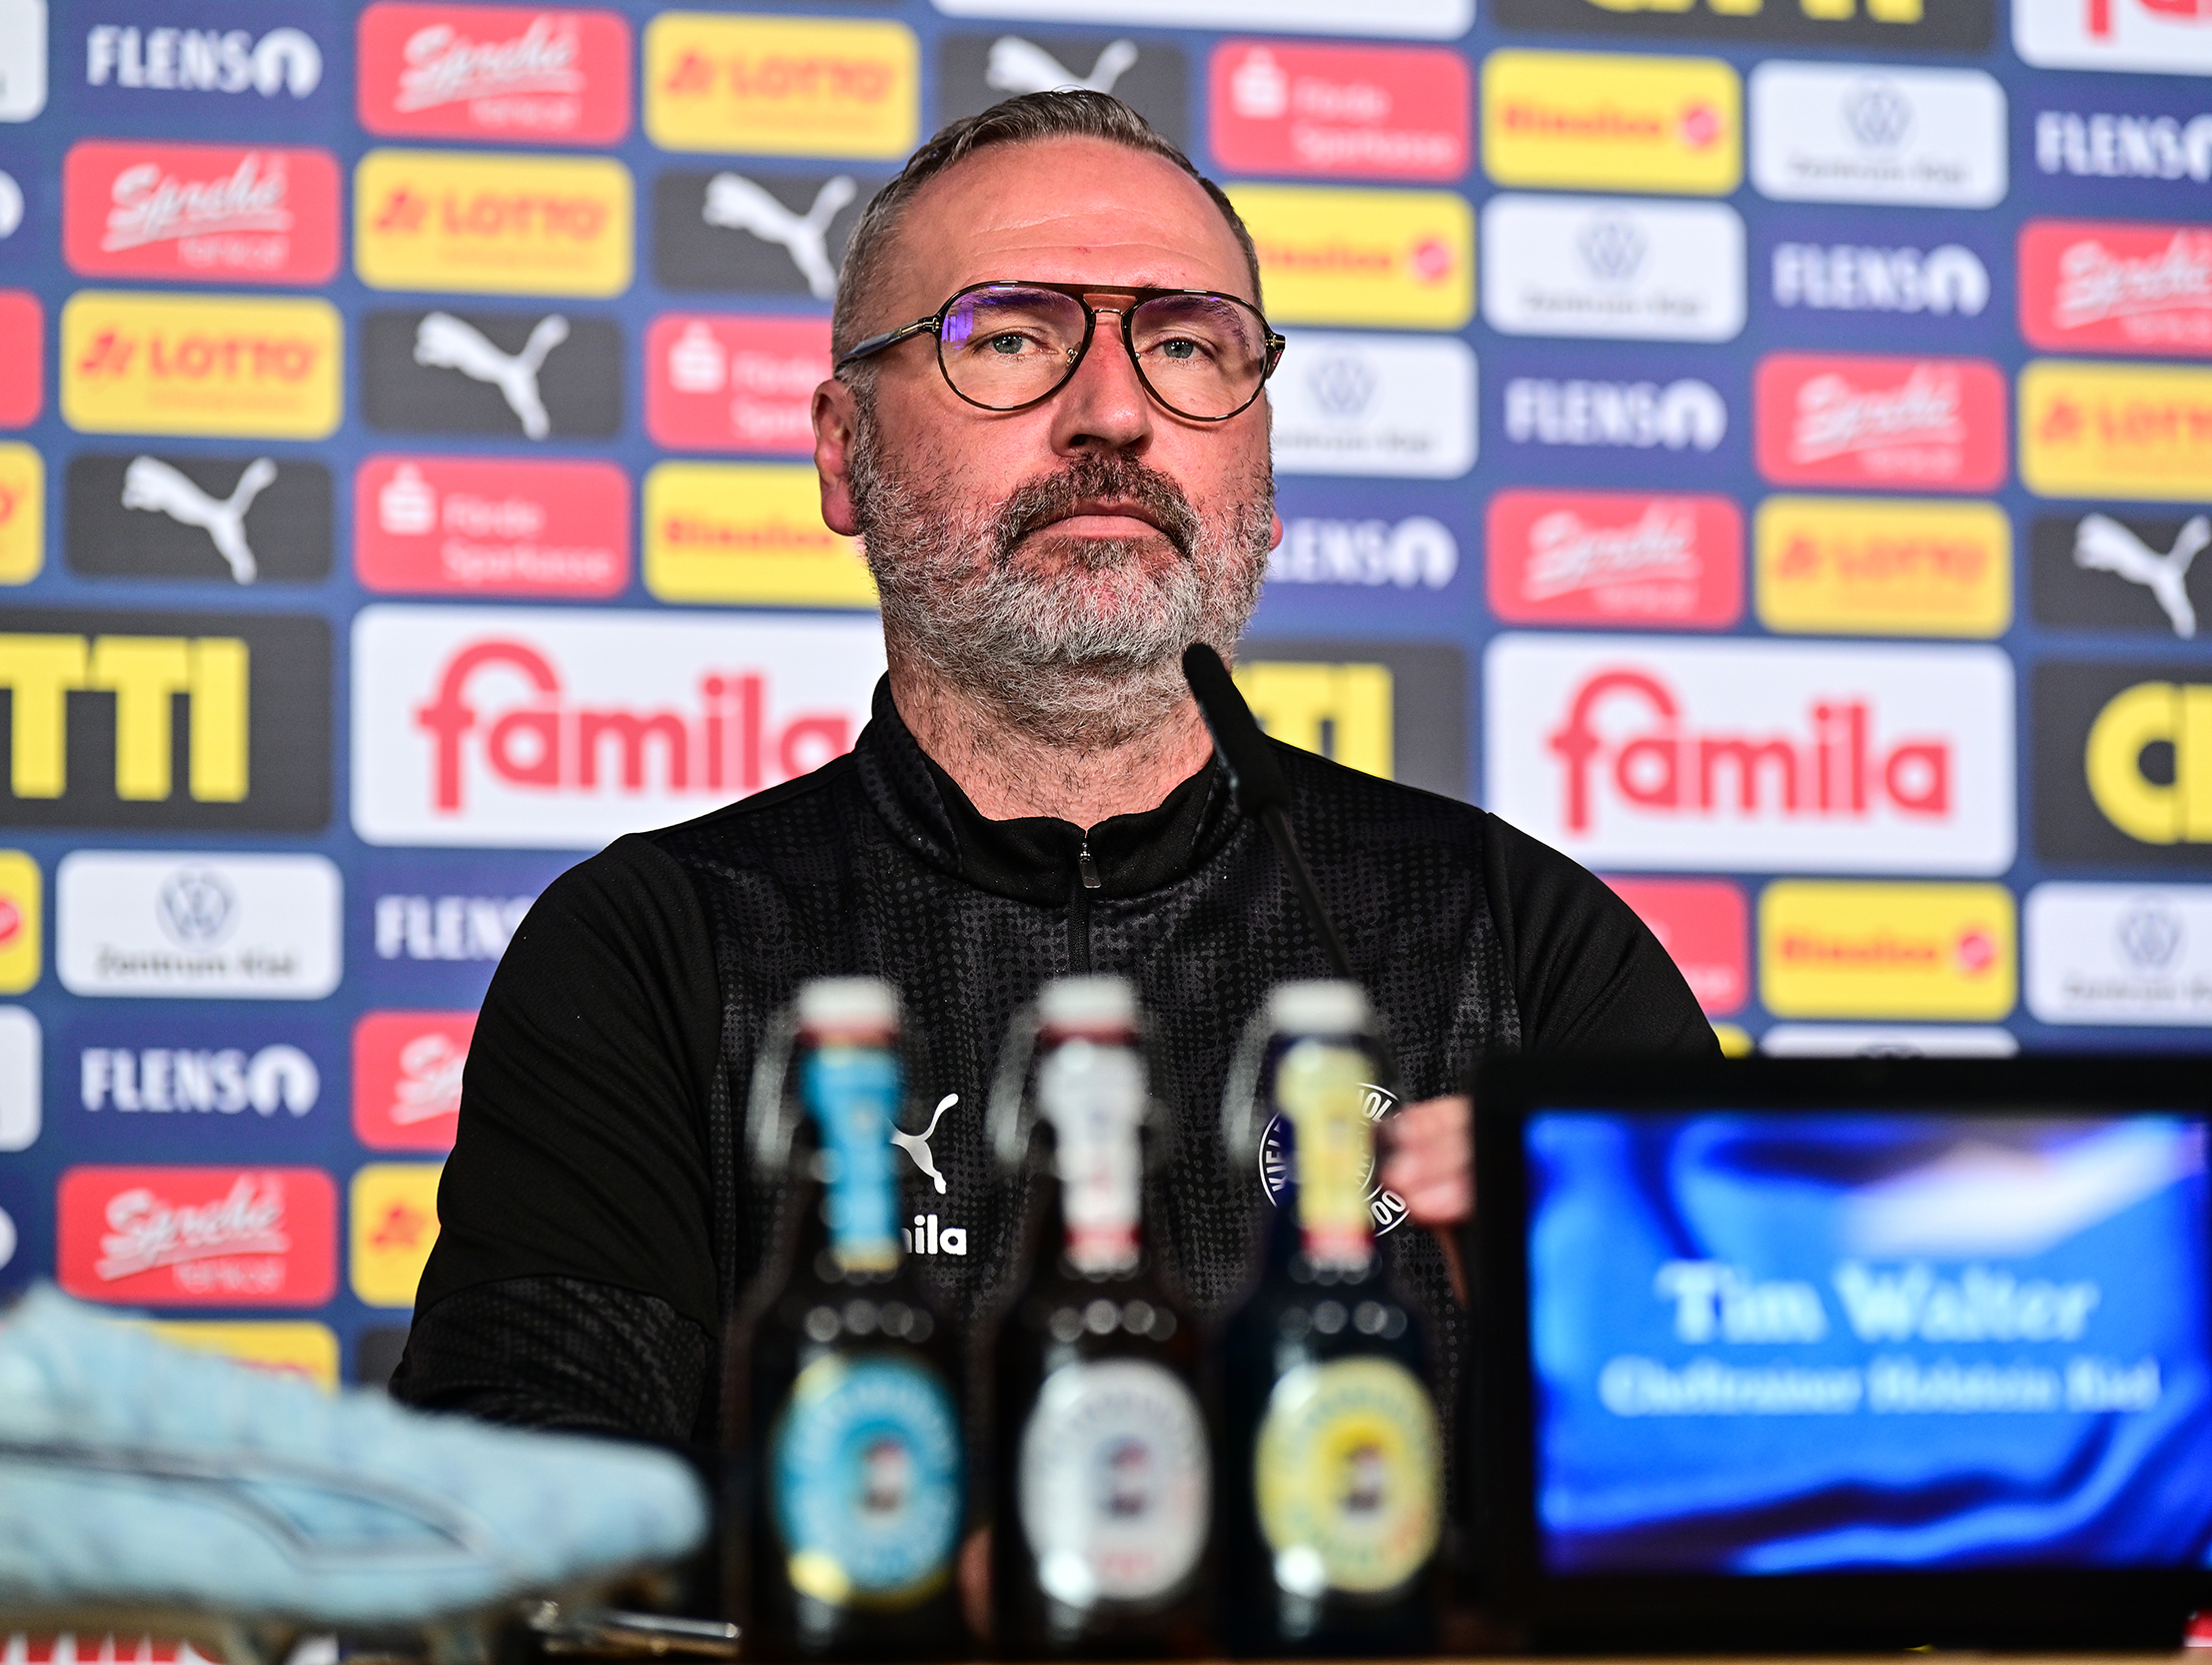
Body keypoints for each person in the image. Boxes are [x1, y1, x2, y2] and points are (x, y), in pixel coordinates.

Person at [393, 91, 1708, 1457]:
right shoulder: (655, 954)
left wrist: (1582, 1366)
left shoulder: (1524, 943)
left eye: (1188, 346)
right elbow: (525, 1530)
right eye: (1010, 337)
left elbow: (1744, 1509)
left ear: (1261, 453)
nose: (1112, 415)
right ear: (844, 452)